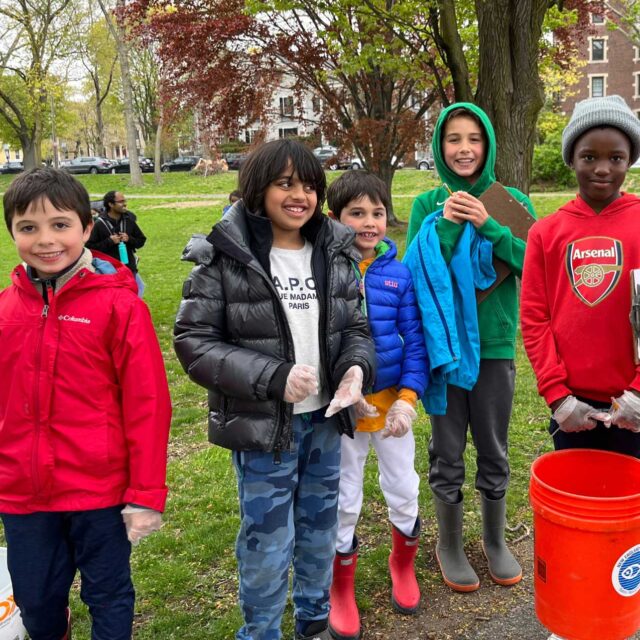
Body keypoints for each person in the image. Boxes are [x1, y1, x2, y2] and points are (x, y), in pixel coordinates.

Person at [174, 139, 376, 640]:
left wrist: (355, 371)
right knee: (268, 543)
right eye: (285, 183)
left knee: (318, 534)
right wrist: (273, 377)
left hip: (326, 422)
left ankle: (313, 624)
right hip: (263, 429)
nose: (299, 195)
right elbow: (194, 343)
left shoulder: (335, 251)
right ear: (257, 188)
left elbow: (356, 329)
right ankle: (260, 631)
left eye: (309, 185)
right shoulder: (224, 256)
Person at [0, 168, 171, 640]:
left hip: (100, 492)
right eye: (28, 228)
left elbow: (148, 403)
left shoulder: (119, 307)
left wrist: (145, 494)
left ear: (86, 228)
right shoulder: (4, 310)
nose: (45, 240)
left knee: (109, 595)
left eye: (60, 225)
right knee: (35, 600)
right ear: (12, 231)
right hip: (24, 495)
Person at [405, 102, 536, 593]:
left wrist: (489, 224)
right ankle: (450, 544)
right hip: (445, 346)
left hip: (495, 345)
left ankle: (495, 540)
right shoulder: (427, 204)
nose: (464, 148)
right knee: (447, 449)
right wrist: (445, 224)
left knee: (494, 447)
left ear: (488, 146)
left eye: (473, 139)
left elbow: (533, 262)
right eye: (453, 139)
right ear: (440, 147)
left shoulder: (511, 200)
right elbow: (418, 272)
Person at [325, 171, 428, 640]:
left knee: (403, 487)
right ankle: (339, 585)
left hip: (389, 407)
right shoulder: (324, 269)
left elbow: (416, 343)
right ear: (335, 218)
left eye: (378, 213)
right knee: (344, 497)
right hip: (343, 409)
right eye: (356, 213)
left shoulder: (398, 273)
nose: (369, 223)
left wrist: (407, 400)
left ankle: (402, 564)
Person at [521, 95, 640, 457]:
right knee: (577, 500)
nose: (602, 168)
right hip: (573, 406)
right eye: (589, 157)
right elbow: (534, 319)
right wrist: (558, 396)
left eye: (615, 158)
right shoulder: (545, 232)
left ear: (630, 160)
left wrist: (638, 391)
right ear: (571, 158)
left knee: (628, 505)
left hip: (633, 402)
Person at [85, 190, 146, 296]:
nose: (124, 203)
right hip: (109, 271)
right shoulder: (100, 224)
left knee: (133, 296)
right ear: (111, 204)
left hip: (129, 268)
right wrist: (109, 242)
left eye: (124, 200)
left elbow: (141, 241)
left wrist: (129, 239)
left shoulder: (129, 220)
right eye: (121, 201)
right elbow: (90, 248)